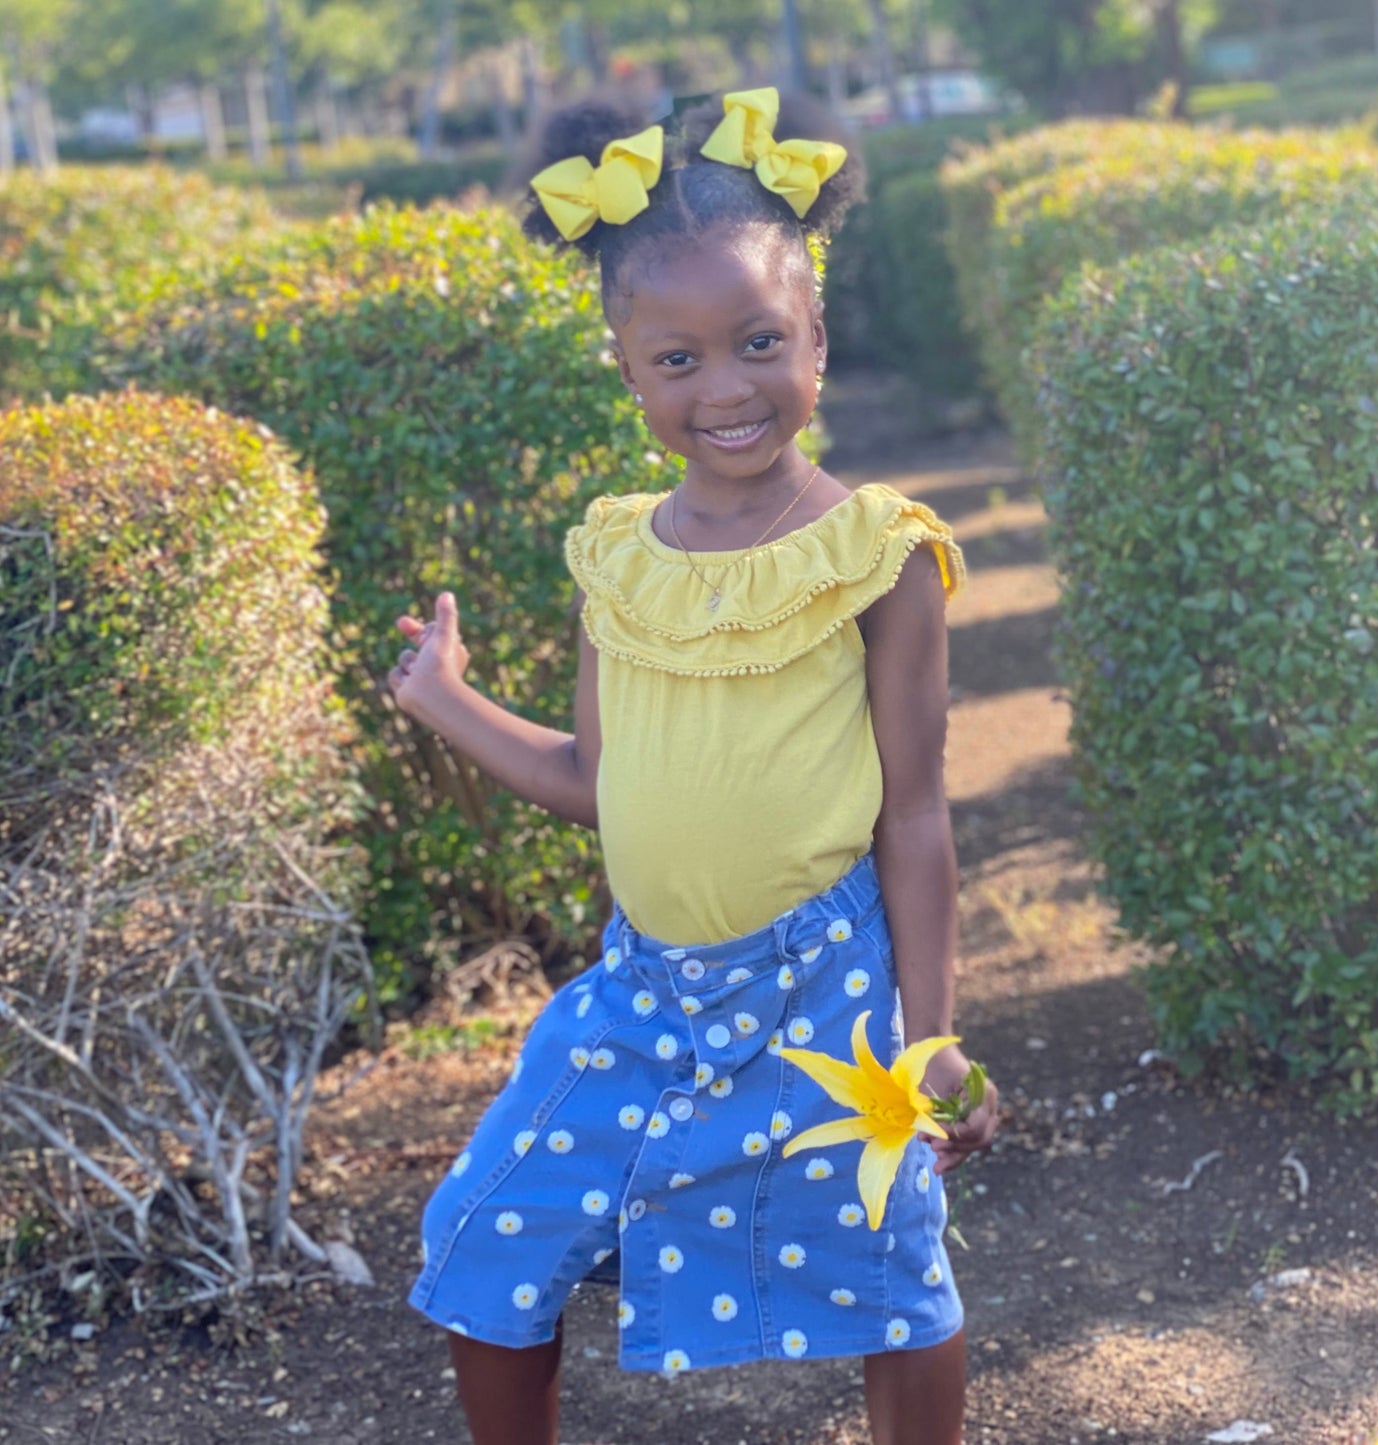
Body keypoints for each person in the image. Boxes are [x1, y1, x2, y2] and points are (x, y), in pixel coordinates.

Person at [388, 85, 1000, 1445]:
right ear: (625, 365)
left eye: (758, 343)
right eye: (677, 360)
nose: (723, 388)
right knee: (485, 1238)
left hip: (825, 988)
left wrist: (934, 1031)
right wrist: (448, 701)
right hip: (643, 989)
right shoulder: (618, 553)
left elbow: (913, 814)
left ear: (819, 339)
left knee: (894, 1263)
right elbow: (598, 780)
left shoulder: (875, 553)